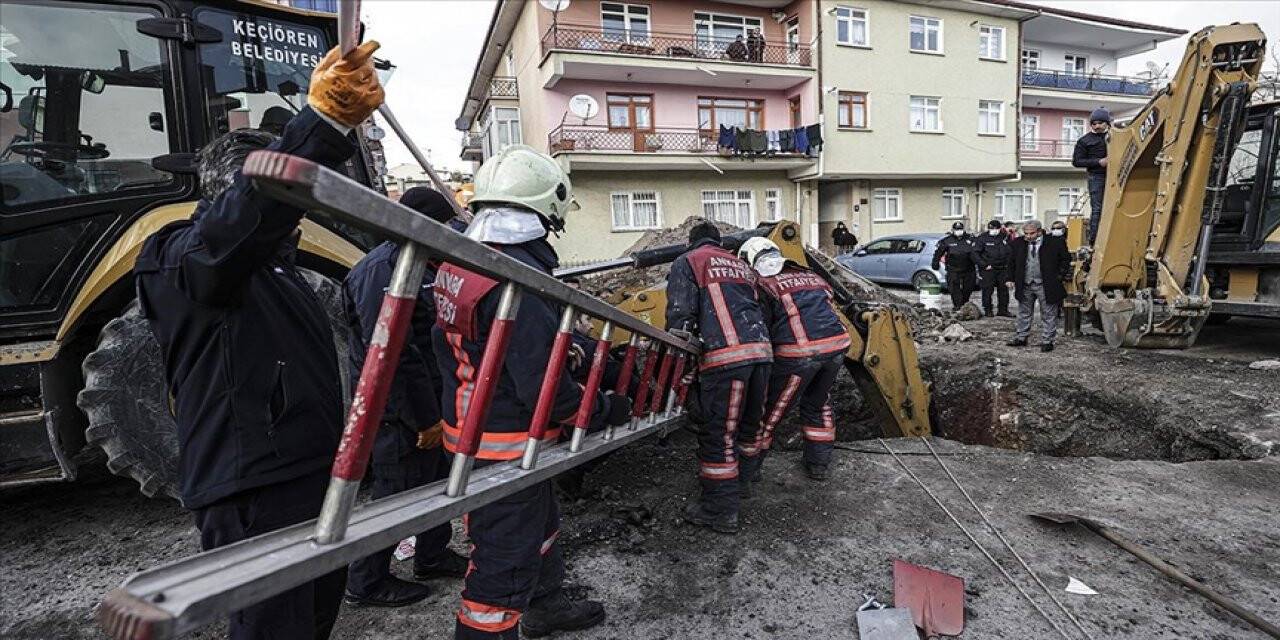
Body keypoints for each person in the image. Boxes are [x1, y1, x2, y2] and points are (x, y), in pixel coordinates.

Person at [134, 41, 385, 639]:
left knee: (313, 616)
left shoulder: (279, 271)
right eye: (289, 199)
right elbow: (234, 234)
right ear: (231, 196)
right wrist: (319, 126)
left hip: (306, 473)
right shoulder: (183, 257)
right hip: (254, 485)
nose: (295, 216)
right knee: (274, 628)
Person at [432, 145, 631, 639]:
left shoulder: (463, 264)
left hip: (474, 428)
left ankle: (545, 604)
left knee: (540, 527)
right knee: (504, 562)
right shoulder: (519, 281)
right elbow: (549, 392)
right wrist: (608, 407)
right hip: (506, 442)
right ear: (549, 209)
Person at [342, 187, 469, 609]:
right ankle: (365, 580)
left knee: (434, 480)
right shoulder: (383, 272)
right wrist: (422, 419)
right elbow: (392, 356)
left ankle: (431, 555)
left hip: (426, 399)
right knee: (395, 494)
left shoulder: (417, 262)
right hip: (396, 408)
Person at [666, 221, 773, 534]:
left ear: (692, 242)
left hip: (726, 359)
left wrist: (682, 367)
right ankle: (742, 484)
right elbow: (761, 311)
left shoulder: (689, 262)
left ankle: (719, 510)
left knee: (719, 433)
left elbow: (679, 317)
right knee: (750, 425)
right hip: (762, 354)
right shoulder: (741, 266)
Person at [738, 238, 850, 482]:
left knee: (770, 412)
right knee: (818, 404)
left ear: (750, 260)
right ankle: (818, 465)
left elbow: (762, 327)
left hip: (800, 354)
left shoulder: (763, 283)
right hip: (837, 348)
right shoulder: (812, 276)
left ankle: (747, 472)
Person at [1007, 220, 1071, 352]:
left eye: (1031, 233)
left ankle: (1047, 340)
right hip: (1025, 284)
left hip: (1046, 284)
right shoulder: (1018, 243)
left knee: (1048, 313)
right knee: (1024, 312)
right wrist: (1010, 278)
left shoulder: (1054, 242)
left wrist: (1059, 276)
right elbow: (1011, 263)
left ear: (1040, 231)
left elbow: (1065, 259)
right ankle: (1021, 337)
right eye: (1026, 234)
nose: (1028, 236)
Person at [1073, 107, 1111, 244]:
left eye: (1100, 123)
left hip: (1115, 176)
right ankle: (1094, 240)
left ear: (1107, 123)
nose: (1097, 126)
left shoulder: (1114, 136)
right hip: (1097, 177)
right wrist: (1098, 162)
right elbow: (1077, 161)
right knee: (1097, 209)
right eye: (1094, 123)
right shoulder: (1085, 141)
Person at [931, 221, 979, 308]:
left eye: (960, 229)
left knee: (968, 288)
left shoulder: (971, 239)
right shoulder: (947, 240)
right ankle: (957, 306)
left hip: (969, 268)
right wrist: (935, 263)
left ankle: (964, 304)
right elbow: (938, 253)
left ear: (963, 230)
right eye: (957, 229)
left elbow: (977, 252)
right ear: (953, 230)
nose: (958, 231)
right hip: (953, 268)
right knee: (954, 288)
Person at [974, 219, 1013, 318]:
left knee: (1003, 290)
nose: (994, 230)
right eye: (992, 228)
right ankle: (988, 310)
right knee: (987, 290)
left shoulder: (1004, 237)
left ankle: (1003, 310)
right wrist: (984, 265)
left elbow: (1011, 252)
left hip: (1003, 268)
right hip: (988, 269)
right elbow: (975, 254)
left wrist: (1009, 265)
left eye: (996, 228)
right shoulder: (982, 238)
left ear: (1000, 229)